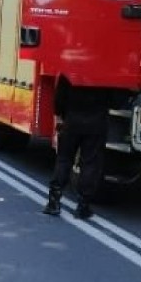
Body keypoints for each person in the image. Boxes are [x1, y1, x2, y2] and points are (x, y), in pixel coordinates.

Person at [42, 78, 111, 220]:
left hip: (71, 122)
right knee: (90, 164)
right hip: (96, 125)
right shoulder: (105, 70)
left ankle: (53, 202)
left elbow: (59, 99)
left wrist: (61, 116)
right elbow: (116, 100)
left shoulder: (70, 68)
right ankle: (83, 206)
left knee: (64, 160)